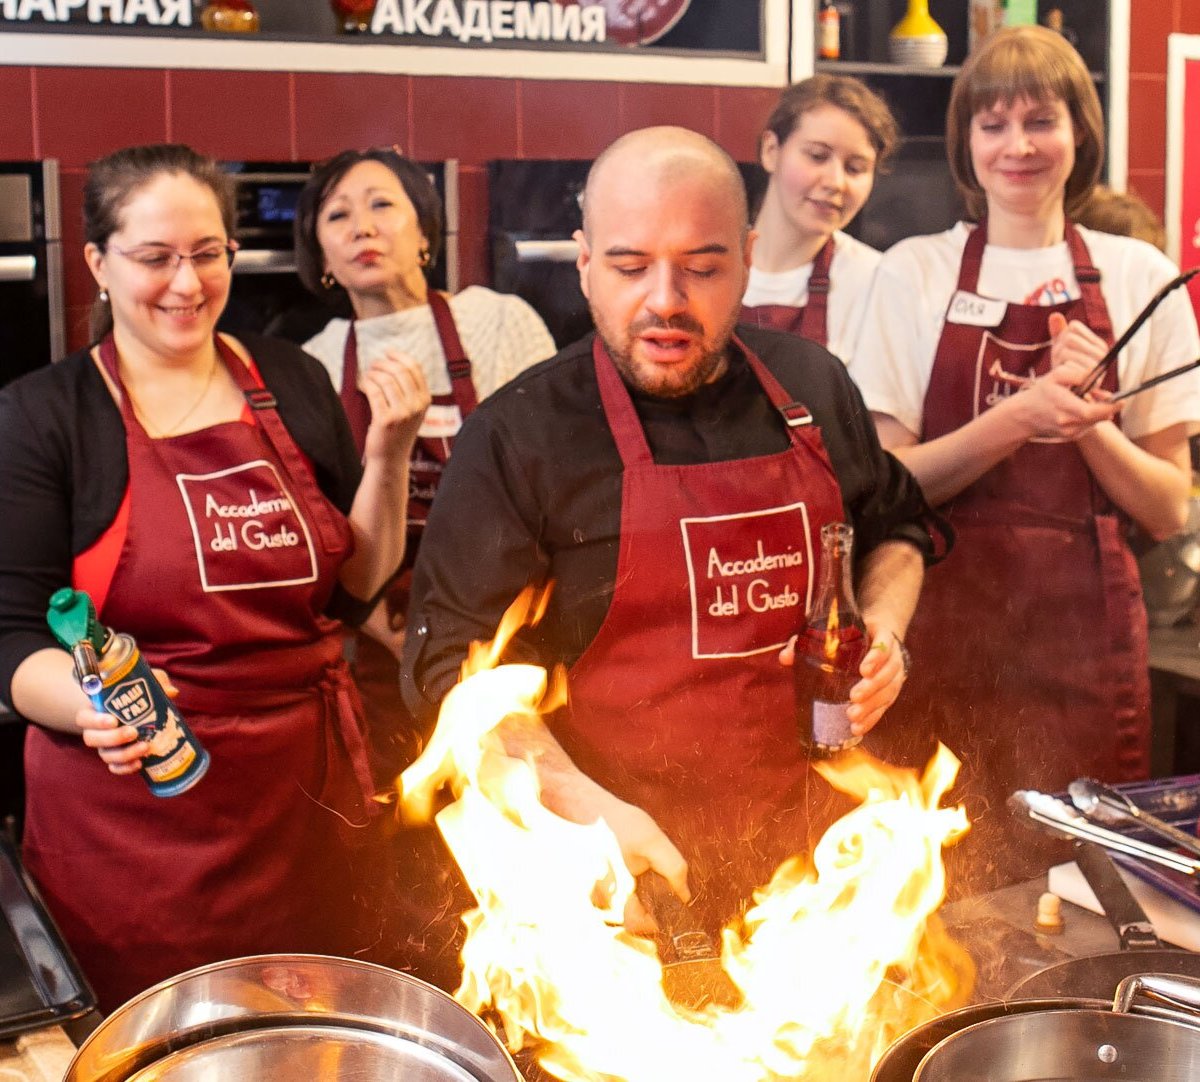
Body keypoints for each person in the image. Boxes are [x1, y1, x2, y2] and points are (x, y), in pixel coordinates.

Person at [401, 126, 947, 942]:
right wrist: (585, 813)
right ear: (584, 264)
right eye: (629, 267)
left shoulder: (811, 387)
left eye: (701, 267)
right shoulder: (521, 437)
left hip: (817, 884)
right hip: (610, 894)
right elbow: (447, 671)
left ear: (749, 258)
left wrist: (886, 634)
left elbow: (899, 526)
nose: (665, 299)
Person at [0, 144, 429, 1011]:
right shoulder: (46, 417)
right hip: (137, 834)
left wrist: (389, 454)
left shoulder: (293, 382)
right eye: (156, 258)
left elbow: (354, 590)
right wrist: (93, 705)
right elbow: (9, 635)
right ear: (98, 263)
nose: (186, 284)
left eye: (206, 253)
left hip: (305, 810)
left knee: (319, 1044)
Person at [849, 26, 1200, 890]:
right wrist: (1020, 418)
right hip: (933, 644)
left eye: (1040, 120)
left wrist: (1089, 427)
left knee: (1081, 898)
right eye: (992, 123)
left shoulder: (1134, 271)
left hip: (1081, 658)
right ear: (966, 141)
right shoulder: (914, 273)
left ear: (1080, 133)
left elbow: (1169, 508)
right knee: (928, 894)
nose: (1017, 146)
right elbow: (889, 484)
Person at [295, 147, 555, 778]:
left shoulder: (497, 321)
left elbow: (553, 478)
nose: (363, 226)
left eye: (383, 204)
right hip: (379, 643)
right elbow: (316, 528)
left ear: (424, 234)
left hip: (510, 626)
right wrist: (381, 629)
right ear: (323, 259)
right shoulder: (315, 365)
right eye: (338, 216)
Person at [741, 73, 899, 364]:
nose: (835, 182)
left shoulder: (878, 282)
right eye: (817, 156)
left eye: (855, 168)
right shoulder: (709, 266)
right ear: (771, 151)